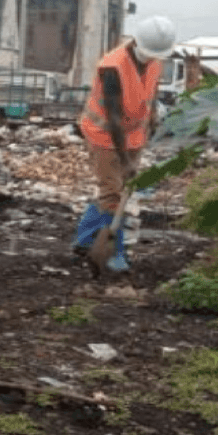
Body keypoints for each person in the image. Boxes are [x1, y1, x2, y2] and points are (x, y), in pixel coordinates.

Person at [72, 16, 176, 272]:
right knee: (114, 195)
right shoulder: (112, 66)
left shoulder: (155, 61)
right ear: (136, 42)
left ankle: (84, 239)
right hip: (104, 134)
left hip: (134, 135)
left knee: (116, 191)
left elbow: (150, 93)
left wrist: (152, 119)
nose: (153, 58)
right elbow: (115, 118)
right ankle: (114, 253)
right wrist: (127, 161)